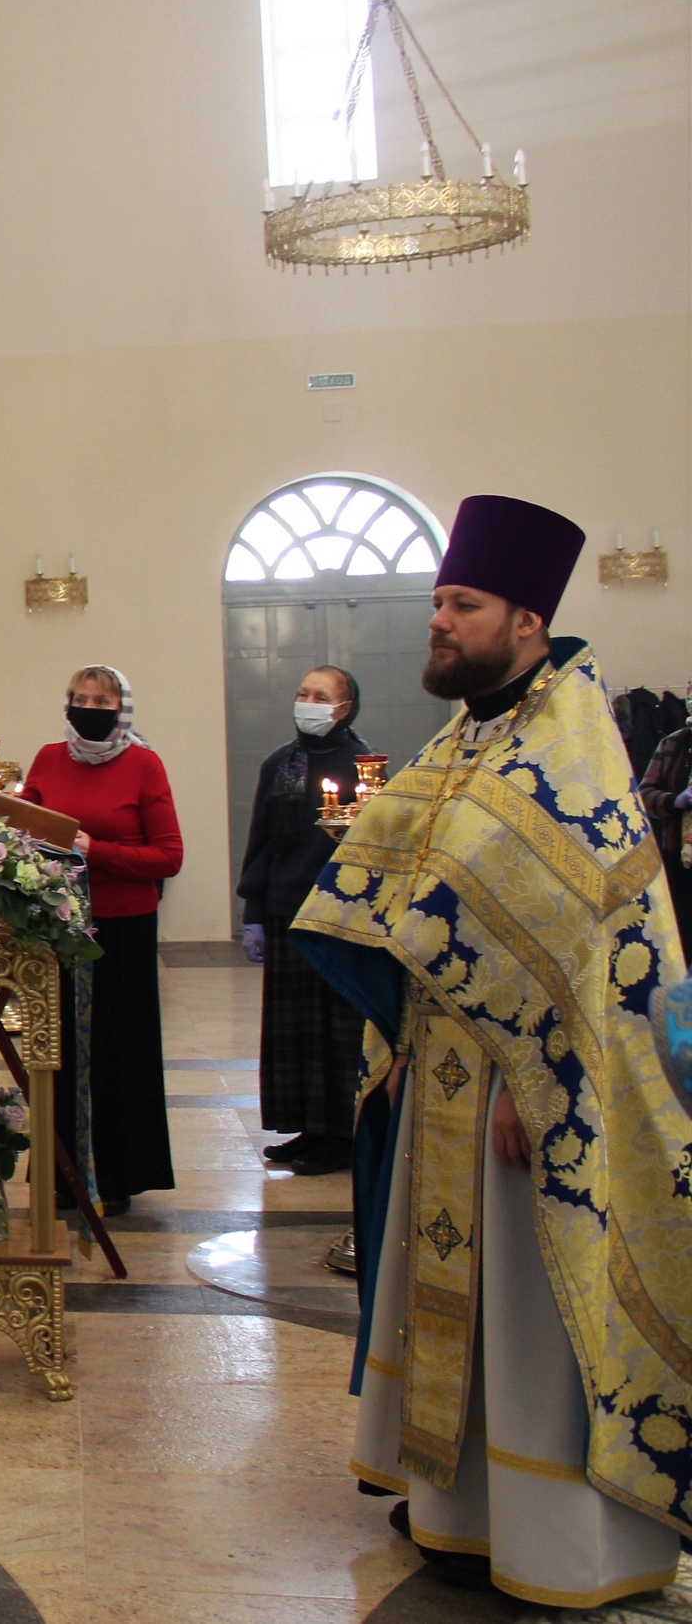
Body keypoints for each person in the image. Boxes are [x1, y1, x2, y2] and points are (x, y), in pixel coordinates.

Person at [292, 494, 692, 1603]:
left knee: (532, 1318)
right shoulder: (468, 735)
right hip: (449, 1069)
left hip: (537, 1091)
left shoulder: (572, 742)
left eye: (460, 605)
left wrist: (541, 1076)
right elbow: (408, 887)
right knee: (459, 1304)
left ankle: (564, 1543)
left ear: (526, 619)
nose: (438, 622)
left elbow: (591, 944)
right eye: (435, 603)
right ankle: (462, 1510)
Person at [22, 665, 182, 1215]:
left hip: (122, 927)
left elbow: (169, 856)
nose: (90, 707)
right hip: (60, 925)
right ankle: (62, 1171)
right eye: (81, 698)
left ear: (121, 709)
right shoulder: (48, 758)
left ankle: (116, 1175)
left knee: (119, 1049)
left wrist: (96, 850)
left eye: (102, 700)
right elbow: (25, 826)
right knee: (59, 1048)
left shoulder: (143, 763)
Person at [236, 666, 370, 1179]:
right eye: (302, 693)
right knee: (294, 1029)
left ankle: (339, 1134)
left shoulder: (365, 766)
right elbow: (261, 842)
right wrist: (253, 913)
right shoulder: (280, 764)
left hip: (339, 914)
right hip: (284, 907)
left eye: (320, 695)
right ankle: (307, 1128)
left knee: (335, 1030)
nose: (308, 702)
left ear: (344, 708)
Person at [636, 717, 692, 934]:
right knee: (682, 934)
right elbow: (644, 796)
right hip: (679, 863)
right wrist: (674, 800)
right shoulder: (674, 743)